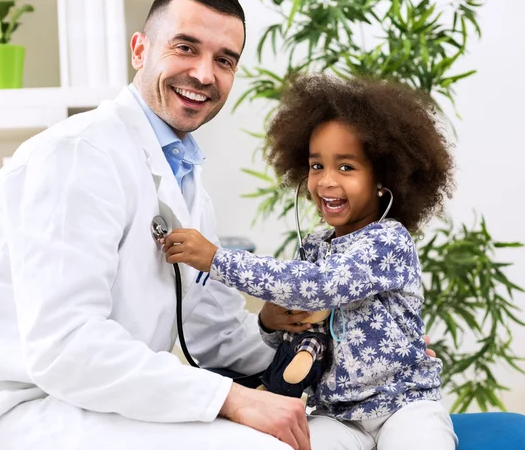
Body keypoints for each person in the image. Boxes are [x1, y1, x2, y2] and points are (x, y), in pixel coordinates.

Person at [0, 0, 311, 450]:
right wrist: (229, 397)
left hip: (88, 400)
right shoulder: (76, 154)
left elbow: (209, 333)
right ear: (140, 50)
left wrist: (334, 354)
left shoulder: (184, 177)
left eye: (224, 60)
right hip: (11, 406)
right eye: (185, 47)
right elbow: (66, 347)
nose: (205, 74)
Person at [163, 74, 459, 450]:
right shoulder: (316, 246)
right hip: (336, 413)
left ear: (384, 178)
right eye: (317, 166)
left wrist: (216, 260)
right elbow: (299, 333)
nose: (326, 181)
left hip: (404, 405)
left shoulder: (389, 240)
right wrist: (270, 323)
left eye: (346, 167)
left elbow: (320, 286)